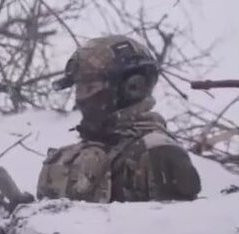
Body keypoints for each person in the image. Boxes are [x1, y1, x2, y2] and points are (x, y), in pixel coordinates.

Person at [37, 35, 201, 202]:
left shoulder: (158, 154)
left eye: (90, 87)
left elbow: (173, 219)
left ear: (132, 87)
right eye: (79, 89)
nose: (81, 98)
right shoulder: (67, 157)